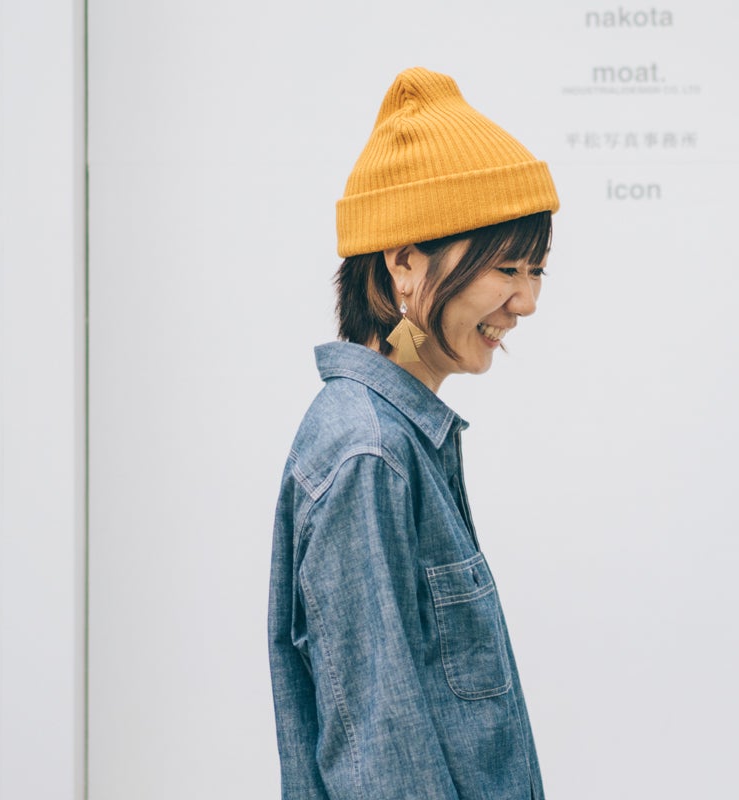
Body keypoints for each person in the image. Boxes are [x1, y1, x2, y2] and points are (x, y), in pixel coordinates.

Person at [267, 67, 559, 799]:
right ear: (403, 259)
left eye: (537, 270)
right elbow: (379, 750)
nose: (525, 300)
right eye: (506, 266)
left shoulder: (399, 439)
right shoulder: (368, 453)